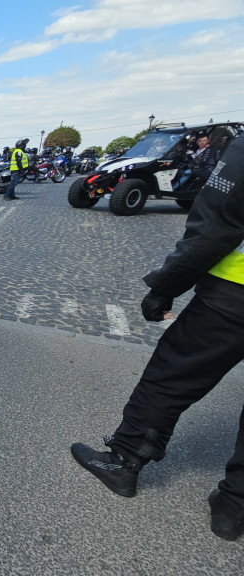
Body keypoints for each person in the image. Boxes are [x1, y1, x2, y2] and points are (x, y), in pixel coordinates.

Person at [70, 135, 244, 541]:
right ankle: (235, 507)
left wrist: (166, 286)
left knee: (172, 375)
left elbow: (217, 224)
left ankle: (124, 462)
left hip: (234, 297)